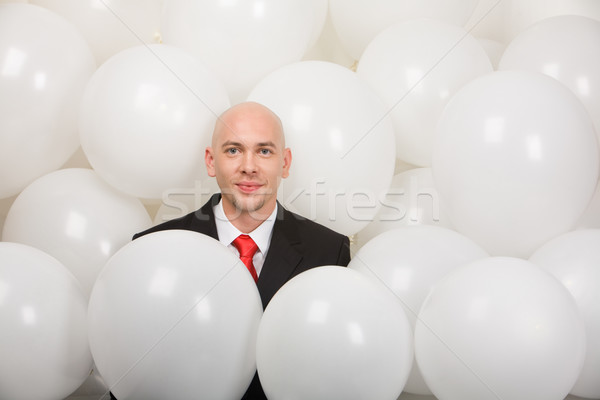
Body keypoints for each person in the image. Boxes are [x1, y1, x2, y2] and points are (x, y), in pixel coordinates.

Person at [120, 101, 351, 399]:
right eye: (233, 150)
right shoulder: (151, 249)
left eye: (264, 151)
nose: (249, 167)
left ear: (285, 162)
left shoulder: (329, 252)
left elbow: (335, 369)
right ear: (210, 160)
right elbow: (130, 367)